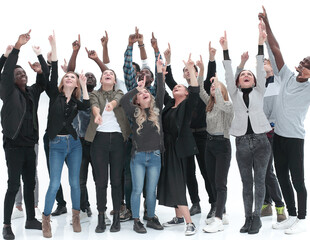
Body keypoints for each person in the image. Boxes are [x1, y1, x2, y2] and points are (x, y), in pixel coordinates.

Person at [259, 6, 310, 234]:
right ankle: (290, 214)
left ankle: (302, 218)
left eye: (307, 64)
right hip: (278, 136)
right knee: (281, 176)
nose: (302, 64)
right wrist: (267, 23)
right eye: (302, 61)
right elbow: (275, 48)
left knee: (298, 180)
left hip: (295, 139)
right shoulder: (286, 75)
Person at [220, 25, 271, 235]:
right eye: (244, 75)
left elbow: (260, 66)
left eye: (250, 74)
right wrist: (226, 50)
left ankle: (257, 218)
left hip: (261, 141)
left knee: (260, 179)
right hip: (241, 141)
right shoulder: (234, 92)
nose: (247, 75)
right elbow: (229, 72)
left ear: (255, 80)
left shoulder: (260, 90)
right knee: (246, 182)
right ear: (239, 82)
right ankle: (247, 217)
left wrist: (260, 43)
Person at [42, 31, 90, 238]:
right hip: (56, 144)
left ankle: (76, 216)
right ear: (63, 82)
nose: (69, 78)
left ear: (76, 83)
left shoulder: (77, 101)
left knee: (75, 182)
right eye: (67, 76)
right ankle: (45, 219)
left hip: (74, 144)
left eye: (73, 77)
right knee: (54, 183)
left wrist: (84, 84)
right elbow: (53, 73)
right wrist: (54, 48)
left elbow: (87, 105)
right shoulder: (55, 95)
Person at [1, 30, 47, 240]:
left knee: (30, 183)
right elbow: (7, 69)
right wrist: (17, 48)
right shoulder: (8, 93)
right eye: (18, 74)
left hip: (30, 146)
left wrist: (40, 63)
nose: (22, 75)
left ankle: (30, 218)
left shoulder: (31, 92)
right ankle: (6, 224)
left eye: (24, 74)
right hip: (14, 146)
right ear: (11, 79)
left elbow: (44, 82)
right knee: (13, 185)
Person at [164, 42, 216, 219]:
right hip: (186, 137)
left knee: (206, 170)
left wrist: (211, 59)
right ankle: (195, 203)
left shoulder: (201, 89)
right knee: (188, 172)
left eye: (190, 69)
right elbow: (169, 80)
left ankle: (215, 204)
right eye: (185, 70)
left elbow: (210, 75)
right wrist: (168, 60)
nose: (187, 71)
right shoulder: (180, 91)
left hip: (202, 135)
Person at [236, 54, 287, 223]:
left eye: (268, 61)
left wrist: (263, 39)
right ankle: (266, 204)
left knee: (266, 172)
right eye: (262, 61)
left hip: (270, 132)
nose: (265, 62)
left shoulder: (279, 82)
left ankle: (279, 206)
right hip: (251, 134)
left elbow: (279, 107)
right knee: (258, 174)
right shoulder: (256, 85)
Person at [120, 55, 165, 234]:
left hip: (155, 156)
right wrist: (136, 89)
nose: (144, 93)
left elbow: (160, 90)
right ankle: (137, 220)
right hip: (138, 157)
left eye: (146, 91)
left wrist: (160, 70)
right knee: (137, 189)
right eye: (141, 94)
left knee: (151, 190)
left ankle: (152, 217)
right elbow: (124, 101)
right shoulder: (134, 111)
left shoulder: (157, 109)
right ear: (137, 100)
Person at [84, 67, 130, 233]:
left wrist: (111, 104)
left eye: (111, 73)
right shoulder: (95, 94)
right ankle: (101, 217)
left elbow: (117, 99)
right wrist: (97, 114)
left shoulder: (119, 93)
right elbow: (94, 104)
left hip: (118, 140)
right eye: (105, 74)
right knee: (101, 182)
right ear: (101, 80)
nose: (108, 74)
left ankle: (117, 216)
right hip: (99, 140)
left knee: (117, 181)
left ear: (114, 79)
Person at [158, 54, 199, 236]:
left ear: (186, 93)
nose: (176, 87)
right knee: (169, 181)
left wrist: (191, 68)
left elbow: (196, 90)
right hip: (166, 148)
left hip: (179, 149)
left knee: (177, 183)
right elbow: (163, 89)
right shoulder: (169, 105)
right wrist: (162, 68)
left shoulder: (188, 105)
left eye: (180, 86)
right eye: (175, 87)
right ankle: (178, 216)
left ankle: (190, 223)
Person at [195, 56, 233, 233]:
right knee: (211, 179)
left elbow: (220, 100)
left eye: (216, 88)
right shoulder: (209, 105)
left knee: (220, 183)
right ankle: (222, 212)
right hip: (209, 145)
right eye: (212, 87)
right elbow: (201, 90)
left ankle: (218, 219)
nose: (213, 89)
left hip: (222, 146)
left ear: (222, 90)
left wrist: (217, 83)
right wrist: (202, 71)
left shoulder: (227, 105)